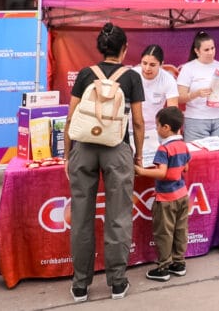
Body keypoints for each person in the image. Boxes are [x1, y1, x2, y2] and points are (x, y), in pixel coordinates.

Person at [64, 23, 145, 303]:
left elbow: (71, 118)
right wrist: (138, 154)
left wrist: (67, 154)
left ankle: (80, 286)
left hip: (84, 148)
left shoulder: (86, 74)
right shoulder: (132, 77)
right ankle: (118, 282)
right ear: (124, 49)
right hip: (117, 147)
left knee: (82, 217)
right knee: (118, 216)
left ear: (100, 49)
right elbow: (137, 121)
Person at [135, 106, 191, 282]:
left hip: (166, 198)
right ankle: (179, 263)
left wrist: (141, 171)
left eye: (158, 125)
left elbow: (161, 173)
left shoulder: (163, 149)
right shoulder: (183, 145)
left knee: (164, 232)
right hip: (182, 195)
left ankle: (163, 267)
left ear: (166, 128)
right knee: (180, 230)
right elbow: (186, 168)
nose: (157, 129)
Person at [177, 31, 219, 142]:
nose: (211, 52)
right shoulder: (188, 68)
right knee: (196, 155)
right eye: (206, 50)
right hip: (196, 120)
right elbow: (180, 98)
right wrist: (196, 94)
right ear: (196, 51)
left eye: (212, 48)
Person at [132, 44, 179, 149]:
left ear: (161, 64)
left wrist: (175, 141)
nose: (147, 68)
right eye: (144, 63)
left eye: (152, 65)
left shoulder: (168, 79)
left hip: (155, 131)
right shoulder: (132, 75)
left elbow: (173, 112)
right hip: (131, 128)